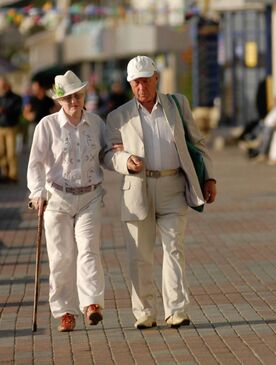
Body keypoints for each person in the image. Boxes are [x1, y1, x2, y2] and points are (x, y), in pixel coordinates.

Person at [103, 55, 217, 329]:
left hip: (173, 186)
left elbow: (197, 142)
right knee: (139, 255)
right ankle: (144, 312)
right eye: (136, 82)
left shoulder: (177, 105)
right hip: (137, 189)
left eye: (146, 80)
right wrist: (125, 161)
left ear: (156, 78)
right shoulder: (118, 116)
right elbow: (108, 154)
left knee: (173, 248)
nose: (141, 87)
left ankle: (177, 310)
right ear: (130, 84)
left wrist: (209, 177)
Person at [27, 71, 107, 332]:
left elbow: (107, 153)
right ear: (59, 101)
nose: (75, 101)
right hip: (58, 197)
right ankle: (65, 312)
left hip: (90, 196)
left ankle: (91, 304)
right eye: (69, 97)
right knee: (61, 257)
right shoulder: (47, 126)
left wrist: (121, 155)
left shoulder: (96, 123)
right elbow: (36, 163)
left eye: (79, 95)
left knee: (88, 249)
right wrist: (37, 193)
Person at [0, 78, 22, 183]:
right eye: (1, 86)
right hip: (0, 128)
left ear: (9, 86)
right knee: (1, 152)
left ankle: (13, 175)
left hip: (11, 127)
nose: (2, 88)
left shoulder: (16, 98)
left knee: (11, 153)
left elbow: (17, 111)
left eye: (4, 85)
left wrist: (3, 110)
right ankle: (4, 173)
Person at [23, 79, 57, 154]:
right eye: (34, 88)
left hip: (46, 125)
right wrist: (29, 116)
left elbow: (56, 111)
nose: (34, 89)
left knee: (47, 146)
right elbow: (25, 112)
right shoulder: (32, 100)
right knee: (33, 147)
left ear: (41, 88)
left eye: (36, 87)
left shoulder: (48, 100)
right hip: (34, 125)